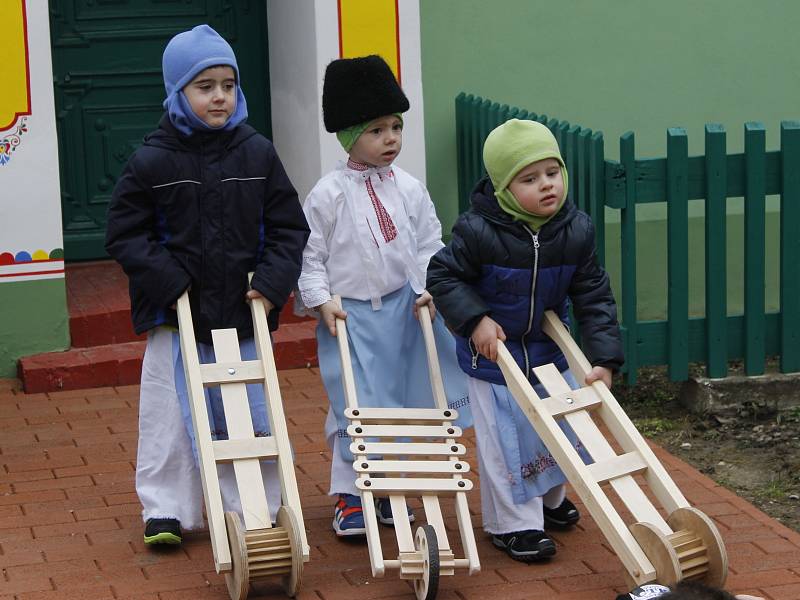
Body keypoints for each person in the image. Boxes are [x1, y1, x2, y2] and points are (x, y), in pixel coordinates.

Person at [105, 24, 310, 546]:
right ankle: (166, 509)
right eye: (204, 86)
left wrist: (272, 282)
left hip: (243, 312)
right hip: (175, 316)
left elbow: (289, 227)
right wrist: (169, 282)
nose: (220, 96)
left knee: (247, 413)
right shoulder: (151, 160)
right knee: (169, 416)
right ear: (178, 92)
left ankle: (256, 507)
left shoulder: (257, 153)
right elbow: (127, 234)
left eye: (228, 84)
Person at [427, 118, 624, 562]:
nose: (547, 187)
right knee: (507, 441)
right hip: (493, 356)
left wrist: (605, 359)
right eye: (529, 179)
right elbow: (443, 275)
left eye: (552, 174)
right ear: (502, 187)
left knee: (559, 429)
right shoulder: (478, 230)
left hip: (548, 351)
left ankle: (550, 503)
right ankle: (511, 524)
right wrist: (475, 320)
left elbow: (593, 294)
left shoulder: (574, 229)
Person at [297, 55, 471, 537]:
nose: (391, 138)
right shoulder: (327, 195)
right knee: (357, 405)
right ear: (350, 136)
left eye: (396, 126)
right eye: (376, 130)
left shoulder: (410, 189)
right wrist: (320, 299)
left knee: (403, 405)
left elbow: (427, 243)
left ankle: (391, 488)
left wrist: (430, 289)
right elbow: (309, 255)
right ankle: (351, 497)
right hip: (350, 318)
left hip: (404, 312)